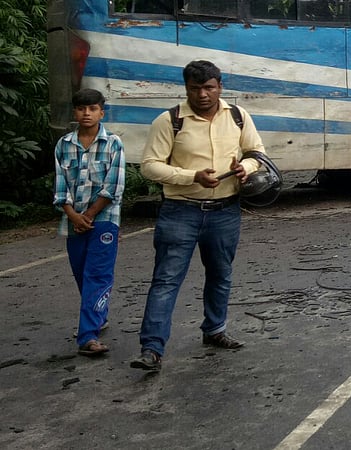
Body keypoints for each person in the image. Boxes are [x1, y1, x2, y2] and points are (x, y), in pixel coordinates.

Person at [131, 60, 266, 373]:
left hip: (226, 211)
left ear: (220, 86)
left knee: (220, 273)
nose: (203, 94)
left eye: (209, 87)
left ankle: (214, 330)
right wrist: (192, 176)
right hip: (180, 211)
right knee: (166, 279)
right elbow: (150, 165)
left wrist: (243, 169)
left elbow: (256, 154)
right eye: (196, 88)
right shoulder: (169, 121)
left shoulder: (237, 116)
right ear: (186, 89)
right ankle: (152, 349)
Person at [53, 88, 126, 358]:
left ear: (101, 112)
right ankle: (98, 315)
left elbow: (114, 187)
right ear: (75, 112)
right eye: (82, 109)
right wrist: (73, 215)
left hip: (104, 219)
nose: (87, 113)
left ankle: (88, 336)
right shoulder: (64, 145)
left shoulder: (113, 143)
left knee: (97, 273)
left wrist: (91, 215)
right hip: (73, 220)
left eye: (92, 109)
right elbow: (60, 188)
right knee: (81, 271)